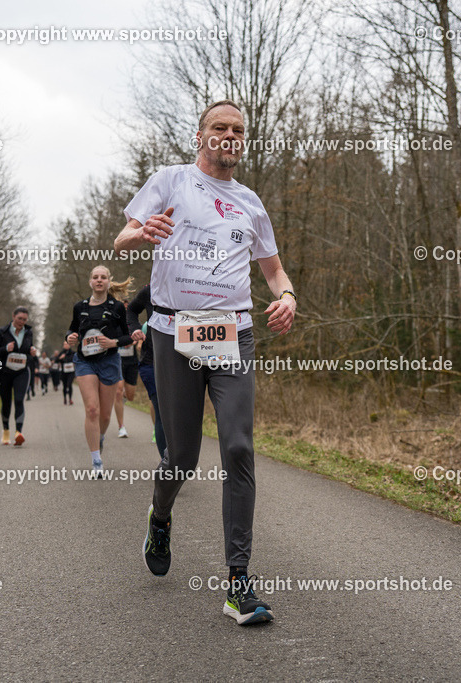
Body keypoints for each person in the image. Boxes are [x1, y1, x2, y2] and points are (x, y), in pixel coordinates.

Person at [114, 99, 297, 625]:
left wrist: (287, 297)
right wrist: (141, 232)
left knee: (239, 446)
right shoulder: (170, 181)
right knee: (183, 457)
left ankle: (238, 583)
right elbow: (123, 235)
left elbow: (275, 272)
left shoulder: (250, 203)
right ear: (201, 136)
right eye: (220, 127)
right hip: (174, 332)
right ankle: (161, 513)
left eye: (238, 130)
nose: (230, 136)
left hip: (233, 333)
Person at [65, 266, 133, 477]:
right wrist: (70, 337)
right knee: (92, 410)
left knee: (105, 414)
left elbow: (129, 336)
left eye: (103, 277)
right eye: (95, 277)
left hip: (109, 362)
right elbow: (72, 328)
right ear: (90, 282)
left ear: (109, 281)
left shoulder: (117, 307)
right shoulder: (80, 307)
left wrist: (113, 342)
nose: (99, 280)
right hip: (85, 362)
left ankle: (100, 437)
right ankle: (96, 461)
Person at [127, 283, 166, 462]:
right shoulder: (150, 290)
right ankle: (170, 467)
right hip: (151, 361)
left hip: (183, 361)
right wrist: (135, 328)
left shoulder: (189, 283)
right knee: (161, 411)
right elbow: (132, 310)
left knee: (181, 414)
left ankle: (180, 458)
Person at [0, 306, 38, 446]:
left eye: (24, 319)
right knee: (6, 402)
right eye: (19, 319)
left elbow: (29, 348)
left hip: (22, 371)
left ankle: (18, 433)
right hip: (3, 372)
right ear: (13, 316)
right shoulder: (2, 332)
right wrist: (5, 349)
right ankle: (6, 431)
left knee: (18, 400)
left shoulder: (28, 332)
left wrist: (32, 350)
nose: (21, 322)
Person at [114, 299, 139, 438]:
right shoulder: (115, 323)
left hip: (132, 361)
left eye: (127, 308)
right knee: (118, 391)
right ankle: (121, 427)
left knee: (130, 396)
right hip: (117, 361)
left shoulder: (133, 323)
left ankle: (123, 398)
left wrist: (135, 341)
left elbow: (141, 335)